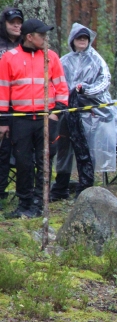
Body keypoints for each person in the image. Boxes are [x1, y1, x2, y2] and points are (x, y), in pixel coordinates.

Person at [0, 18, 68, 218]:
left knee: (45, 160)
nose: (46, 38)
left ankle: (39, 203)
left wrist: (56, 113)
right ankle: (24, 204)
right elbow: (3, 90)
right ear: (30, 37)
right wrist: (3, 121)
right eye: (42, 35)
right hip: (20, 119)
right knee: (22, 161)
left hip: (46, 119)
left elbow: (62, 87)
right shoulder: (9, 58)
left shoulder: (52, 57)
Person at [51, 23, 115, 200]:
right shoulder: (64, 60)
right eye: (79, 38)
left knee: (86, 150)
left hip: (89, 113)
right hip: (66, 110)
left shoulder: (96, 60)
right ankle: (60, 187)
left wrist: (85, 90)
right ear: (73, 40)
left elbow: (104, 82)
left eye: (85, 38)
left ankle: (85, 187)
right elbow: (55, 82)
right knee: (64, 148)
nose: (82, 41)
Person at [0, 7, 23, 201]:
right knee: (2, 153)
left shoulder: (27, 44)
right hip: (2, 106)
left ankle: (25, 195)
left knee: (23, 153)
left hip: (21, 107)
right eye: (12, 22)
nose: (16, 25)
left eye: (19, 22)